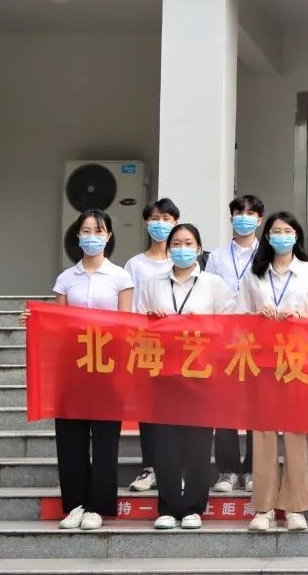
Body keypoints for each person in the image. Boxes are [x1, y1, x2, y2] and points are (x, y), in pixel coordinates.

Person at [21, 209, 133, 530]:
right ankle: (75, 505)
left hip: (107, 365)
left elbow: (126, 323)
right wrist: (36, 320)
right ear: (77, 235)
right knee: (71, 437)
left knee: (105, 438)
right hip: (73, 366)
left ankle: (98, 506)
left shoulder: (120, 277)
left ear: (108, 236)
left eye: (98, 231)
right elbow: (59, 324)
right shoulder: (66, 279)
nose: (92, 237)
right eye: (86, 231)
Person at [239, 211, 308, 532]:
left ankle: (295, 507)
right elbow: (239, 318)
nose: (282, 236)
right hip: (263, 361)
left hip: (298, 361)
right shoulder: (254, 274)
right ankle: (263, 507)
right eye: (276, 231)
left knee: (296, 432)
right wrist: (257, 314)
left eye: (288, 231)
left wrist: (300, 316)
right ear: (267, 237)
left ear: (296, 236)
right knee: (264, 432)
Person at [138, 224, 236, 531]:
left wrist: (205, 325)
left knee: (198, 442)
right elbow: (137, 325)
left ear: (199, 248)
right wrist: (151, 321)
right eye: (177, 243)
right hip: (164, 373)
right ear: (168, 249)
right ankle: (167, 507)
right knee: (165, 443)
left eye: (189, 243)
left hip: (201, 374)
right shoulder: (153, 284)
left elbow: (230, 326)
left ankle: (194, 506)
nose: (182, 248)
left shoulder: (214, 284)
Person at [205, 194, 265, 493]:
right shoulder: (216, 257)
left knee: (257, 401)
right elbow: (207, 292)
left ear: (260, 220)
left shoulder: (267, 253)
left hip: (258, 336)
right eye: (239, 213)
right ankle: (227, 470)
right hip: (224, 335)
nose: (244, 218)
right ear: (231, 218)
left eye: (251, 213)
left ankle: (253, 467)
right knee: (224, 402)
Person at [123, 197, 179, 493]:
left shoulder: (182, 259)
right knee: (150, 408)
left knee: (179, 407)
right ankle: (151, 467)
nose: (161, 224)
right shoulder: (135, 265)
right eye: (155, 219)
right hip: (148, 343)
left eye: (167, 219)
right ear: (146, 223)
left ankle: (176, 466)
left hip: (183, 345)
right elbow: (130, 306)